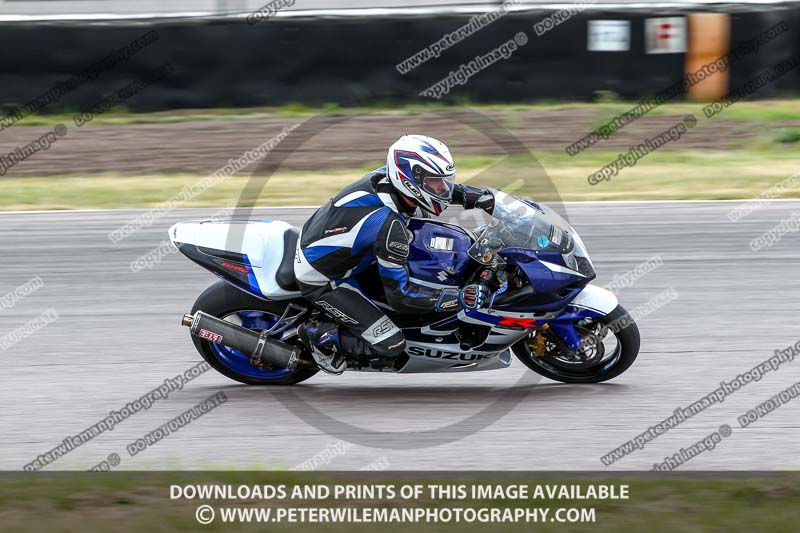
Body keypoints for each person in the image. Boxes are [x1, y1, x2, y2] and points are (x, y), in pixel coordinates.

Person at [294, 134, 494, 373]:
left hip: (333, 241)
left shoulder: (389, 178)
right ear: (410, 180)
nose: (442, 189)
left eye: (445, 182)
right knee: (392, 345)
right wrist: (456, 298)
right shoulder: (390, 227)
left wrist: (479, 198)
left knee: (422, 218)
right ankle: (317, 334)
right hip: (324, 279)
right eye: (435, 182)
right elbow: (400, 296)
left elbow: (437, 191)